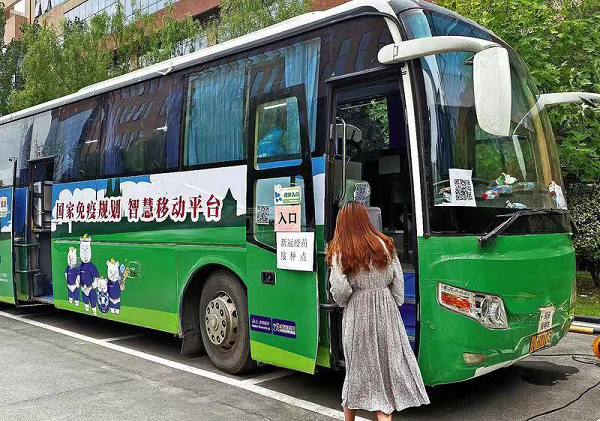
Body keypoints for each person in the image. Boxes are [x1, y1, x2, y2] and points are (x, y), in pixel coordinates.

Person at [327, 201, 429, 421]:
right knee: (384, 370)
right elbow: (398, 282)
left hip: (358, 313)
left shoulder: (341, 249)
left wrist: (346, 300)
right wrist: (391, 302)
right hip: (386, 311)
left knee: (356, 371)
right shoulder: (384, 244)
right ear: (365, 220)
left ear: (342, 223)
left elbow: (341, 290)